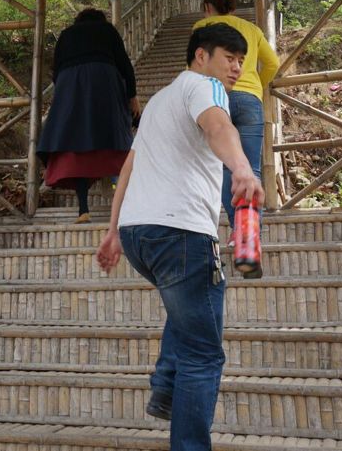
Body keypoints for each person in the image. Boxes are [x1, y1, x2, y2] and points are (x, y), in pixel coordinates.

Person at [96, 24, 263, 451]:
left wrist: (114, 230)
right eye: (230, 57)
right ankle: (185, 431)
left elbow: (130, 166)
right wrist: (242, 168)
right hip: (180, 232)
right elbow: (218, 128)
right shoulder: (204, 87)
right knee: (204, 354)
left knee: (188, 303)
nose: (237, 67)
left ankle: (167, 385)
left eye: (242, 60)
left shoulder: (156, 102)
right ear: (201, 56)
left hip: (139, 235)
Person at [37, 8, 141, 223]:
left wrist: (68, 97)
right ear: (100, 20)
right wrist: (132, 96)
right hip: (105, 83)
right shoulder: (107, 30)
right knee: (116, 141)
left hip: (70, 87)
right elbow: (125, 66)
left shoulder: (67, 35)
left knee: (77, 148)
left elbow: (56, 72)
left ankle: (83, 209)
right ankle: (130, 204)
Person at [193, 0, 279, 237]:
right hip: (250, 100)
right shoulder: (251, 29)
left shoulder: (202, 26)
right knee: (250, 168)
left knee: (223, 167)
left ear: (208, 7)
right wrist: (255, 87)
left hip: (215, 98)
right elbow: (272, 63)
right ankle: (251, 233)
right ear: (232, 8)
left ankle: (236, 230)